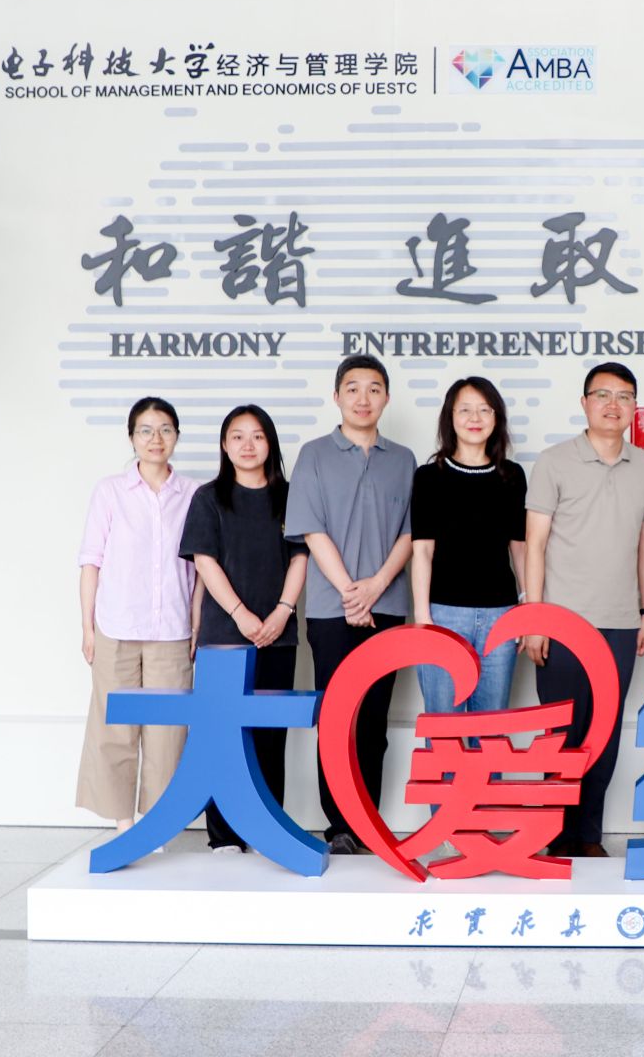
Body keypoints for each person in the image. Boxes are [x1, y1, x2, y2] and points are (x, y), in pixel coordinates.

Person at [523, 361, 644, 858]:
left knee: (604, 734)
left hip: (620, 623)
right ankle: (554, 836)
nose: (612, 404)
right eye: (602, 395)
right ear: (584, 403)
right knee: (561, 733)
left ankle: (588, 836)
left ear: (634, 407)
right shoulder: (554, 461)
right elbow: (535, 545)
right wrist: (535, 618)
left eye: (624, 396)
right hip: (561, 621)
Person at [288, 354, 417, 857]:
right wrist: (350, 591)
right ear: (337, 396)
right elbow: (311, 529)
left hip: (387, 606)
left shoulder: (403, 460)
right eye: (353, 388)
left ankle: (368, 823)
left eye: (374, 388)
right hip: (330, 608)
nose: (364, 398)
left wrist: (376, 587)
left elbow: (410, 533)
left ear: (387, 398)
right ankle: (340, 825)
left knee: (375, 718)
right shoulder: (314, 455)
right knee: (338, 717)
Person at [178, 404, 306, 853]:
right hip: (223, 635)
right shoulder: (209, 497)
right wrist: (240, 614)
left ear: (271, 443)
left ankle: (267, 829)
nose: (247, 445)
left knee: (270, 736)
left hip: (278, 634)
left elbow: (301, 557)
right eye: (237, 436)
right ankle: (224, 836)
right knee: (222, 737)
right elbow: (204, 561)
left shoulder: (291, 496)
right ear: (224, 444)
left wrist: (282, 612)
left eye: (257, 436)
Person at [74, 398, 200, 836]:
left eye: (165, 429)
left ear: (177, 436)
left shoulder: (193, 494)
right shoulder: (110, 491)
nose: (155, 439)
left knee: (168, 734)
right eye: (145, 430)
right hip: (116, 627)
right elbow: (91, 561)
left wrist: (196, 624)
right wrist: (88, 627)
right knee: (115, 727)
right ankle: (124, 826)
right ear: (132, 438)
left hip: (172, 629)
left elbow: (200, 568)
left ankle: (157, 828)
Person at [410, 377, 528, 722]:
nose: (475, 418)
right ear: (450, 417)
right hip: (444, 614)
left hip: (500, 616)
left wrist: (526, 607)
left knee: (490, 727)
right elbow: (422, 551)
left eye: (484, 410)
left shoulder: (512, 475)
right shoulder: (429, 476)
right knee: (443, 726)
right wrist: (423, 617)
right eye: (465, 410)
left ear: (496, 418)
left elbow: (520, 549)